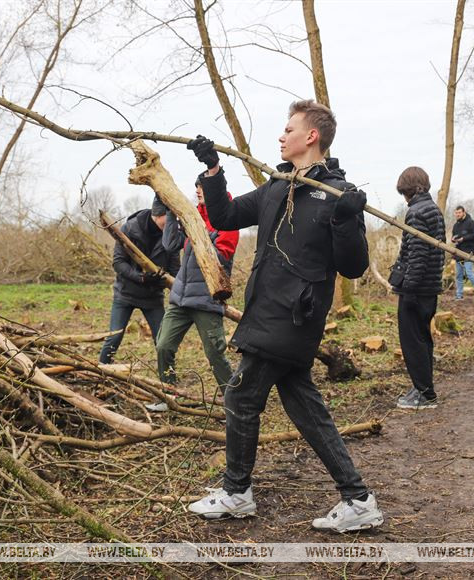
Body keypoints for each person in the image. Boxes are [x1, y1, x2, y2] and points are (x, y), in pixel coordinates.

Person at [184, 99, 383, 533]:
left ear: (311, 136)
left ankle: (237, 492)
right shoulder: (279, 184)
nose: (281, 135)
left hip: (294, 317)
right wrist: (213, 171)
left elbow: (353, 267)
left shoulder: (338, 194)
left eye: (288, 129)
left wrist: (346, 221)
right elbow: (225, 216)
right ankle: (357, 498)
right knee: (303, 404)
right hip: (265, 310)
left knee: (240, 396)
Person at [155, 179, 239, 394]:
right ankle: (168, 395)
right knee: (163, 345)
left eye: (202, 186)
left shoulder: (228, 220)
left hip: (207, 300)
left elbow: (222, 257)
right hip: (180, 298)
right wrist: (171, 212)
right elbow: (170, 245)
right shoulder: (192, 214)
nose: (197, 190)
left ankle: (234, 402)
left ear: (215, 190)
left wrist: (198, 232)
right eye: (196, 186)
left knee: (215, 355)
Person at [389, 167, 446, 410]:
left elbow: (418, 255)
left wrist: (409, 289)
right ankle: (422, 387)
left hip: (417, 289)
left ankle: (424, 394)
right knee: (423, 339)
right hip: (430, 287)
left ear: (407, 189)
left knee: (413, 343)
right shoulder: (433, 209)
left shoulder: (416, 212)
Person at [98, 197, 180, 364]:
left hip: (153, 297)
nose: (172, 222)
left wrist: (164, 282)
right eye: (169, 217)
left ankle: (168, 377)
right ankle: (101, 370)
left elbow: (175, 271)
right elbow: (118, 263)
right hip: (125, 294)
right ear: (158, 215)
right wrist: (141, 277)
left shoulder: (171, 234)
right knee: (114, 337)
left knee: (163, 342)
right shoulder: (130, 228)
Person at [451, 205, 474, 302]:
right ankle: (459, 295)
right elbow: (454, 236)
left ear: (464, 212)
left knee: (469, 273)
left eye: (459, 212)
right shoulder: (456, 225)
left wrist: (464, 238)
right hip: (458, 253)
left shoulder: (471, 222)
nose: (457, 214)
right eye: (456, 213)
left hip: (469, 253)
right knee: (459, 275)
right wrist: (453, 239)